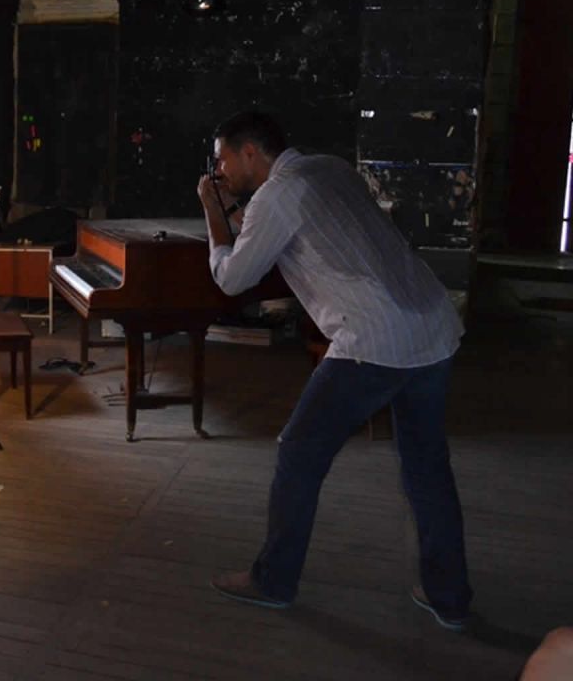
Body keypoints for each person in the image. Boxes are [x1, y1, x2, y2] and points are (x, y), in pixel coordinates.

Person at [196, 111, 471, 630]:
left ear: (251, 152)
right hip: (433, 325)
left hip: (374, 338)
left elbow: (232, 279)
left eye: (223, 158)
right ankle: (449, 597)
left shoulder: (277, 196)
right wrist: (237, 207)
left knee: (298, 455)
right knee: (427, 469)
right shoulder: (330, 167)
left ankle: (273, 581)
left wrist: (214, 211)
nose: (219, 169)